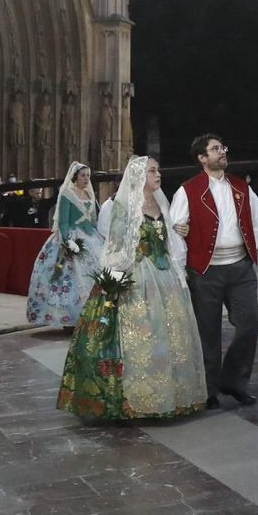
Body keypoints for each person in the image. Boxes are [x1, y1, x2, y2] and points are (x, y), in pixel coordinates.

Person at [58, 155, 206, 421]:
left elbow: (169, 241)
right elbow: (115, 247)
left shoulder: (161, 202)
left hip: (165, 277)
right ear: (139, 176)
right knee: (141, 334)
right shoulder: (125, 208)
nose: (157, 175)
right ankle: (133, 399)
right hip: (139, 276)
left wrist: (179, 258)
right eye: (151, 171)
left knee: (168, 335)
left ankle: (167, 394)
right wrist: (113, 284)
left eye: (158, 170)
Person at [169, 134, 258, 408]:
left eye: (222, 148)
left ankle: (234, 381)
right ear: (202, 158)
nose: (222, 152)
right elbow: (176, 228)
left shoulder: (240, 187)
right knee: (207, 332)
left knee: (250, 325)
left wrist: (250, 248)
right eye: (215, 149)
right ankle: (209, 390)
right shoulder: (188, 190)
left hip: (240, 268)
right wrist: (182, 267)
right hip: (205, 270)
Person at [26, 162, 102, 328]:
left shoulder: (90, 195)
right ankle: (71, 318)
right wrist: (68, 241)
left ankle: (94, 315)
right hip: (73, 237)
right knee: (71, 279)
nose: (86, 178)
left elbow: (93, 220)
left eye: (88, 175)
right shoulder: (68, 194)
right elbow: (64, 221)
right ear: (75, 177)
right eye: (83, 175)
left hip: (91, 238)